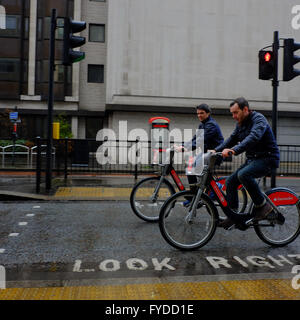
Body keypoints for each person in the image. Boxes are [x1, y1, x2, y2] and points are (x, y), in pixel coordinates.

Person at [213, 97, 280, 229]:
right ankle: (232, 215)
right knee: (230, 181)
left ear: (245, 109)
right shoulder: (240, 124)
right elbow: (231, 139)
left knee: (243, 175)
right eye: (232, 113)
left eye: (235, 112)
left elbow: (254, 137)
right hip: (253, 159)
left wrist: (234, 150)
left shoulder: (258, 119)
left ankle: (263, 207)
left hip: (267, 158)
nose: (233, 116)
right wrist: (214, 151)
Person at [175, 103, 224, 196]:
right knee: (190, 166)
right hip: (206, 154)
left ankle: (215, 186)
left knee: (194, 167)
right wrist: (181, 145)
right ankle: (194, 195)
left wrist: (186, 148)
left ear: (208, 113)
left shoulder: (211, 125)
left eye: (202, 113)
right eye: (198, 113)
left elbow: (201, 140)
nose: (199, 115)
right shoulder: (202, 125)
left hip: (215, 154)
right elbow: (194, 139)